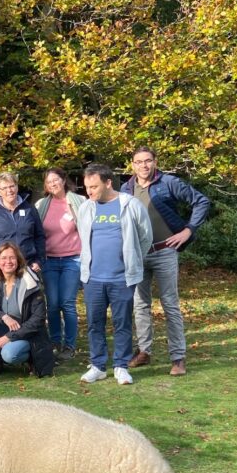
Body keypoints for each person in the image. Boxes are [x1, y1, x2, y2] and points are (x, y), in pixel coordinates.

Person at [121, 146, 211, 376]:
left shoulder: (169, 182)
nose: (143, 165)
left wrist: (188, 230)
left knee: (170, 304)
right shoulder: (126, 189)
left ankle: (178, 358)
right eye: (139, 162)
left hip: (165, 252)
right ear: (132, 165)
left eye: (148, 161)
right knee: (140, 304)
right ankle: (144, 351)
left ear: (155, 162)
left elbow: (201, 201)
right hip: (138, 255)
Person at [76, 164, 152, 385]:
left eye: (94, 187)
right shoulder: (86, 208)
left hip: (122, 278)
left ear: (108, 183)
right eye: (86, 187)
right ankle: (98, 366)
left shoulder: (130, 204)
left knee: (122, 323)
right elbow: (83, 236)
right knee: (94, 323)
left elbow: (145, 237)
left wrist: (132, 259)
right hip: (93, 278)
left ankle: (121, 366)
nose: (89, 191)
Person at [0, 242, 55, 378]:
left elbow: (38, 319)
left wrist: (9, 337)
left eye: (12, 257)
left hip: (28, 333)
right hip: (3, 326)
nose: (8, 261)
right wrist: (3, 316)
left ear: (18, 260)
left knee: (9, 354)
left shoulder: (31, 283)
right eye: (4, 258)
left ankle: (31, 358)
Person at [34, 168, 85, 363]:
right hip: (49, 260)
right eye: (49, 182)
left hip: (73, 259)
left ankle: (69, 345)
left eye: (55, 180)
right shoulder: (41, 205)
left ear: (64, 180)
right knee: (53, 303)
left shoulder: (79, 201)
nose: (52, 184)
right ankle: (55, 342)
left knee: (67, 303)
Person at [0, 171, 45, 289]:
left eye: (12, 186)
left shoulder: (30, 210)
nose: (9, 190)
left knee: (27, 300)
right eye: (5, 188)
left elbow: (39, 236)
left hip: (26, 267)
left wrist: (39, 260)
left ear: (17, 187)